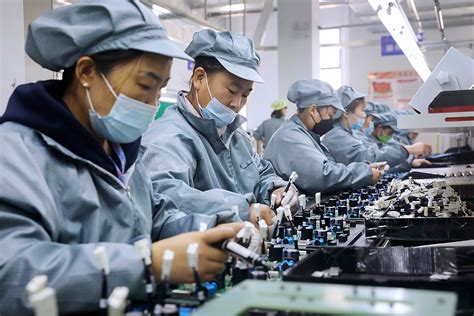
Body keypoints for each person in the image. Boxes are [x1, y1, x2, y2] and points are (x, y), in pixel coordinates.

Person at [0, 2, 242, 314]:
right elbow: (12, 272)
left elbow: (152, 219)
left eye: (161, 88)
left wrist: (211, 230)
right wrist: (146, 265)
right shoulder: (16, 155)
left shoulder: (121, 150)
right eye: (145, 84)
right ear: (87, 71)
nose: (154, 102)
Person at [141, 29, 297, 227]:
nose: (237, 103)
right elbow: (166, 195)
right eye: (232, 90)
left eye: (246, 95)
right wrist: (240, 209)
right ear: (199, 78)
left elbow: (262, 173)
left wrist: (276, 189)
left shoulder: (236, 134)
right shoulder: (168, 138)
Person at [264, 79, 384, 195]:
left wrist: (364, 168)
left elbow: (329, 166)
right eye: (330, 114)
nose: (331, 121)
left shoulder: (306, 135)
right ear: (313, 110)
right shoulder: (291, 136)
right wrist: (364, 173)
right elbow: (322, 175)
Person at [322, 86, 421, 168]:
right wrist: (405, 150)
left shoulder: (346, 133)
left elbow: (373, 151)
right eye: (362, 110)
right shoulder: (337, 136)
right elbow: (369, 158)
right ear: (346, 113)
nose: (365, 115)